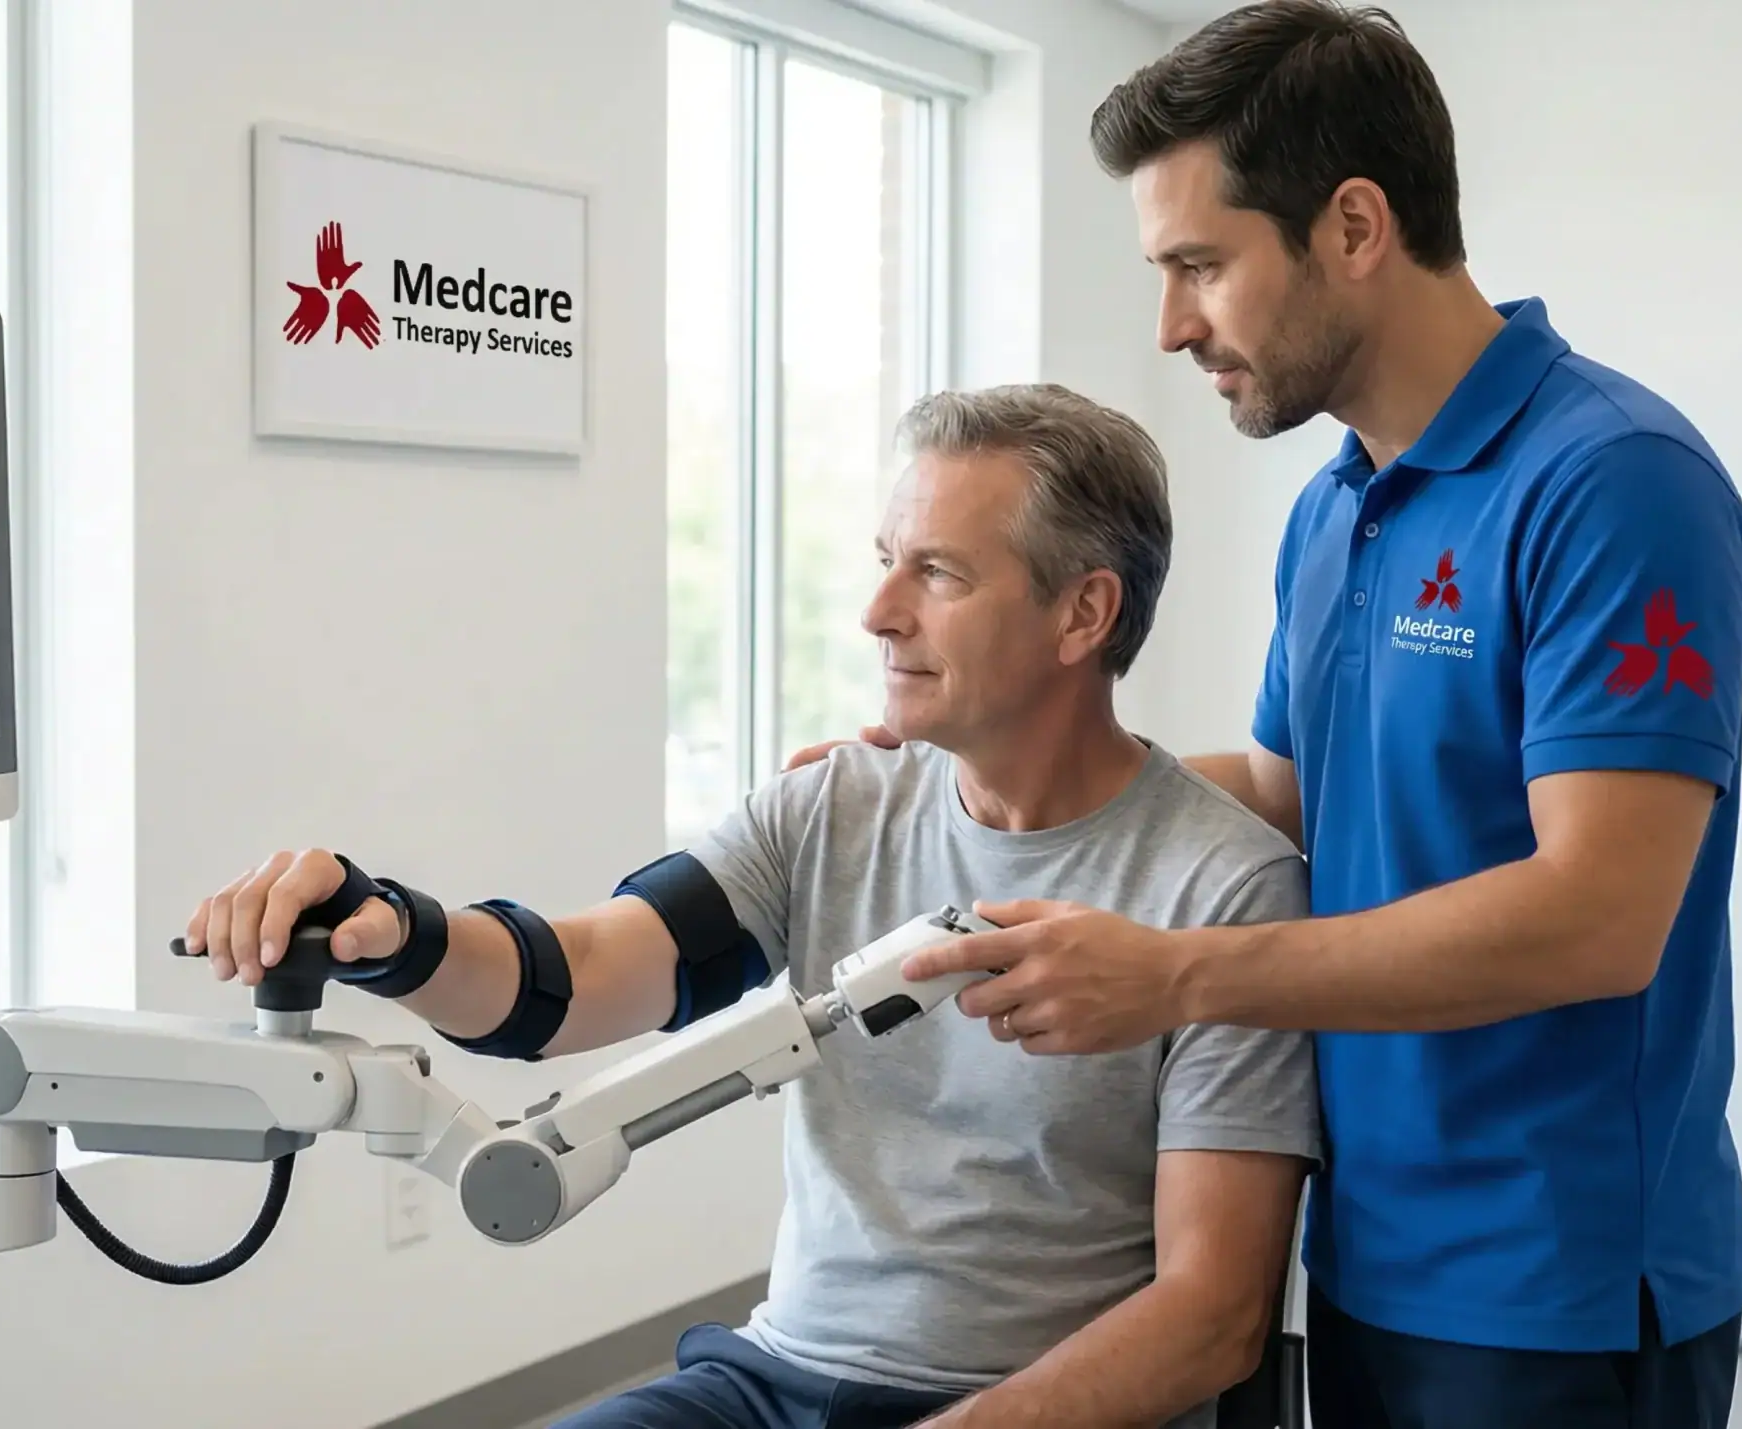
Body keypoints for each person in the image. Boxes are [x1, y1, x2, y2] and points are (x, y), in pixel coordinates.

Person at [796, 5, 1742, 1427]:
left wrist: (1180, 974)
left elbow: (1600, 916)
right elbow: (1283, 784)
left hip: (1556, 1282)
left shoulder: (1613, 484)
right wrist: (981, 768)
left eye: (1202, 265)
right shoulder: (1336, 509)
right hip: (1364, 1247)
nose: (1173, 324)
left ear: (1355, 226)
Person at [187, 384, 1320, 1429]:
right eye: (884, 559)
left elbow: (1210, 1316)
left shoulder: (1223, 890)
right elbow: (566, 982)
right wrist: (394, 931)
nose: (877, 612)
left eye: (937, 574)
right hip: (769, 1378)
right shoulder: (831, 805)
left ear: (1084, 614)